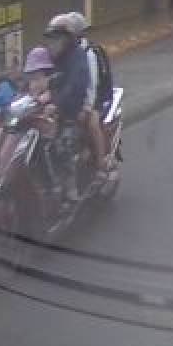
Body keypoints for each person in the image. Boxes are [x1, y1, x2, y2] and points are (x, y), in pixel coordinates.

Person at [56, 12, 114, 177]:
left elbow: (92, 85)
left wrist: (87, 108)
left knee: (92, 123)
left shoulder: (89, 53)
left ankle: (101, 162)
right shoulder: (63, 53)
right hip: (74, 98)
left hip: (93, 99)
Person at [42, 14, 91, 203]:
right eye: (51, 38)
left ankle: (70, 187)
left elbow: (75, 84)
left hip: (72, 112)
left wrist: (57, 104)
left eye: (58, 38)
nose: (53, 42)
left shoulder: (78, 56)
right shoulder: (49, 56)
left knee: (62, 146)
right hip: (49, 113)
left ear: (68, 39)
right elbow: (36, 74)